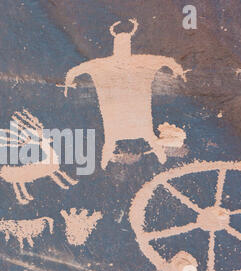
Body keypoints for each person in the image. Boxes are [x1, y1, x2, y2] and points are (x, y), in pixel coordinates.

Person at [64, 19, 188, 169]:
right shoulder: (130, 63)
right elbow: (75, 71)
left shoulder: (115, 64)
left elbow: (76, 70)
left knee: (122, 138)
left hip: (130, 115)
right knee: (125, 138)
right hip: (123, 115)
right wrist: (68, 81)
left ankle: (109, 162)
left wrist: (177, 70)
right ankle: (109, 163)